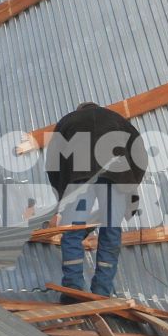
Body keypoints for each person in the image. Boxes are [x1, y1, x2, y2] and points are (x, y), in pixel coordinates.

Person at [45, 102, 146, 296]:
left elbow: (53, 162)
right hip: (116, 177)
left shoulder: (67, 121)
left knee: (73, 231)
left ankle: (73, 288)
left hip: (79, 178)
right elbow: (139, 154)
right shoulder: (118, 120)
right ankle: (102, 290)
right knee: (110, 231)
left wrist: (62, 194)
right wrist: (130, 185)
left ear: (78, 111)